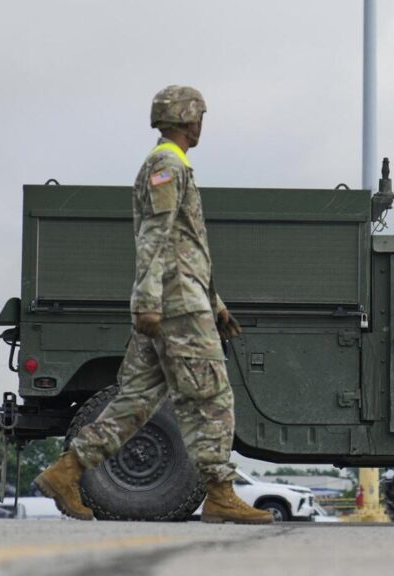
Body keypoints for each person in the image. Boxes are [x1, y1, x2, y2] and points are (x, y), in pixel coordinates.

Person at [35, 85, 272, 524]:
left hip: (179, 299)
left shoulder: (172, 165)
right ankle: (220, 493)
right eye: (199, 116)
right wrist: (148, 302)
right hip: (176, 305)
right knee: (212, 397)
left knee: (138, 400)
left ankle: (66, 472)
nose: (201, 125)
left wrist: (215, 303)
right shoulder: (167, 165)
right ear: (187, 119)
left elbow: (185, 244)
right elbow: (154, 235)